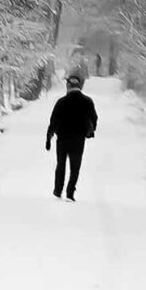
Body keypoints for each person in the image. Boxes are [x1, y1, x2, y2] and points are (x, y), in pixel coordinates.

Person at [45, 69, 98, 200]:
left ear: (68, 85)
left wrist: (49, 138)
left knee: (61, 164)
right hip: (78, 139)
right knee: (75, 167)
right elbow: (94, 118)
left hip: (62, 139)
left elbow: (53, 121)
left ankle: (58, 190)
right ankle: (70, 192)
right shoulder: (87, 101)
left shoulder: (61, 102)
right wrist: (90, 132)